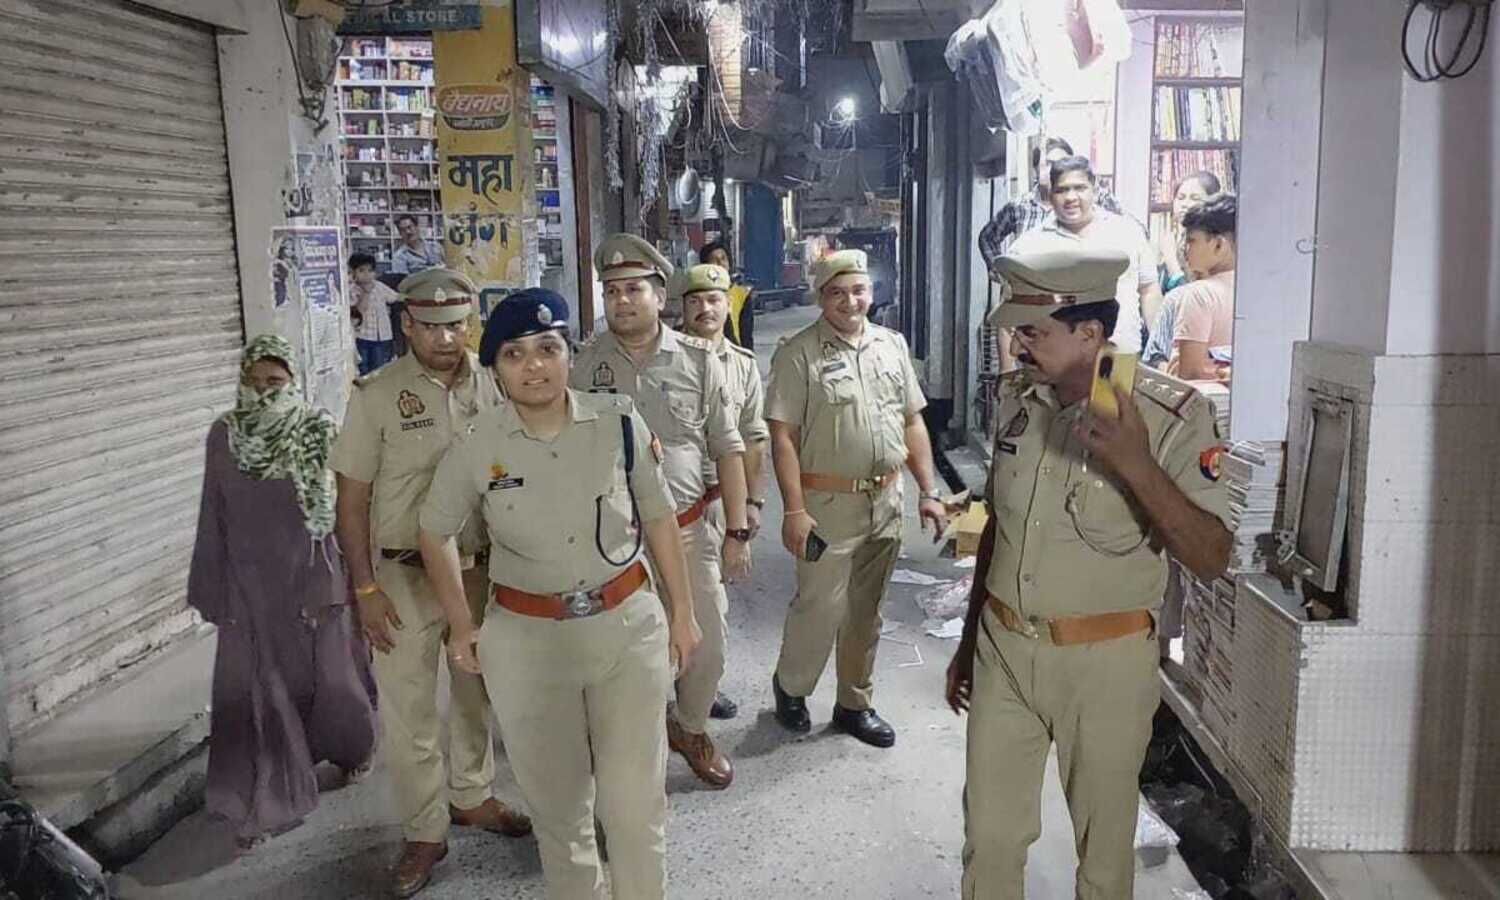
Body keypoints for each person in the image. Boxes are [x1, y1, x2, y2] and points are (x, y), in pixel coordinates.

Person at [946, 244, 1232, 899]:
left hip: (1105, 664)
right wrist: (967, 644)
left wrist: (1136, 463)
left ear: (1090, 333)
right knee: (989, 840)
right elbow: (1000, 528)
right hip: (1004, 649)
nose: (1018, 345)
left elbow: (1211, 556)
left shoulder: (1170, 416)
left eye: (1033, 332)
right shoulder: (1018, 399)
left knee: (1103, 857)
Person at [416, 290, 699, 900]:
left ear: (569, 354)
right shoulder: (477, 443)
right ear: (496, 369)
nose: (534, 366)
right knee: (560, 811)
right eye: (514, 354)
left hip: (626, 631)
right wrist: (462, 625)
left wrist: (683, 613)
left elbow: (658, 518)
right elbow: (433, 531)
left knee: (634, 807)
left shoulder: (618, 422)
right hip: (527, 644)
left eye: (548, 349)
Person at [331, 268, 532, 898]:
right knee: (410, 706)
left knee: (476, 691)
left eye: (457, 325)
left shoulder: (498, 381)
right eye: (431, 326)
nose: (446, 338)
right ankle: (424, 830)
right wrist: (365, 589)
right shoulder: (377, 395)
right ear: (407, 326)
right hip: (403, 577)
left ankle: (472, 796)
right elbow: (351, 502)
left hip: (482, 568)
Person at [570, 234, 753, 790]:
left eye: (634, 289)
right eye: (612, 291)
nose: (622, 300)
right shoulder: (583, 365)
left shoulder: (698, 361)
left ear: (659, 295)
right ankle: (628, 757)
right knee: (620, 656)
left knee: (706, 645)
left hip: (689, 529)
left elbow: (728, 449)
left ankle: (690, 727)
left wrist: (738, 531)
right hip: (613, 542)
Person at [187, 335, 377, 851]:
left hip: (312, 573)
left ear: (293, 381)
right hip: (251, 585)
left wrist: (353, 578)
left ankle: (352, 749)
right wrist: (212, 584)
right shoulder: (224, 435)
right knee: (259, 690)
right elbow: (212, 511)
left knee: (334, 680)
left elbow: (341, 511)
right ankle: (264, 791)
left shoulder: (317, 430)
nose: (265, 391)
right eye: (255, 382)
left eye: (275, 381)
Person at [764, 249, 948, 748]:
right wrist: (794, 510)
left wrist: (929, 491)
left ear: (872, 292)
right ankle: (792, 687)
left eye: (858, 290)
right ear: (821, 297)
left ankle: (854, 703)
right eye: (837, 293)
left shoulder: (891, 345)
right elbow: (783, 438)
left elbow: (912, 421)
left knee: (867, 610)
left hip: (885, 500)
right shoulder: (799, 354)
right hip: (827, 507)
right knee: (820, 607)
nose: (850, 302)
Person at [673, 263, 770, 721]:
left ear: (727, 304)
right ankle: (672, 690)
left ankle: (700, 689)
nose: (705, 309)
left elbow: (753, 439)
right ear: (682, 307)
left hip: (718, 502)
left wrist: (751, 504)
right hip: (671, 505)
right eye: (694, 301)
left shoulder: (743, 366)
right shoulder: (666, 360)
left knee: (712, 605)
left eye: (714, 300)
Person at [1008, 156, 1161, 355]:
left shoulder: (1127, 232)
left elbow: (1149, 290)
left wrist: (1158, 350)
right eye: (1062, 190)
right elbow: (1012, 311)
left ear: (1094, 190)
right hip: (1055, 364)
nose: (1070, 197)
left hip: (1120, 357)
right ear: (1051, 194)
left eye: (1079, 188)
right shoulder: (1029, 246)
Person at [976, 136, 1130, 267]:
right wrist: (1000, 272)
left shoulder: (1095, 198)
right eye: (1049, 163)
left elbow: (1130, 230)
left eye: (1061, 163)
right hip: (1031, 287)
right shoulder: (1019, 207)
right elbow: (988, 237)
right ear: (1036, 168)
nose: (1055, 170)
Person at [1169, 193, 1238, 382]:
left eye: (1192, 241)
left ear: (1219, 245)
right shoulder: (1257, 292)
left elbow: (1190, 376)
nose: (1185, 248)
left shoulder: (1199, 295)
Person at [1155, 171, 1222, 295]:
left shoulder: (1216, 245)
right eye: (1180, 198)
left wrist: (1172, 262)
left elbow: (1196, 299)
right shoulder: (1177, 240)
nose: (1185, 204)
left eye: (1195, 198)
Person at [349, 252, 401, 375]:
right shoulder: (353, 290)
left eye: (370, 270)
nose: (367, 274)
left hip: (382, 336)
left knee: (379, 369)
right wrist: (366, 293)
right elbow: (359, 311)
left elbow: (395, 297)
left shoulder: (380, 286)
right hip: (362, 336)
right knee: (363, 369)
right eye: (361, 270)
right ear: (353, 272)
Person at [699, 241, 755, 351]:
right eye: (714, 259)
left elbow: (746, 334)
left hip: (735, 351)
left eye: (723, 258)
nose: (720, 263)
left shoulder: (741, 294)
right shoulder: (700, 295)